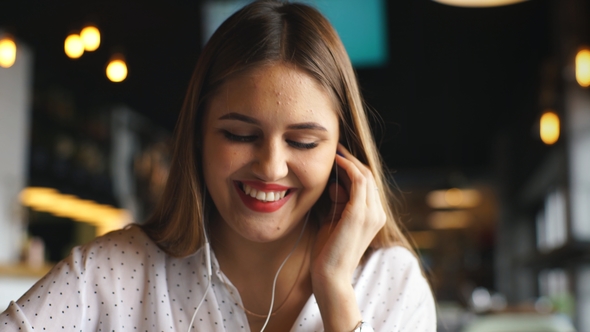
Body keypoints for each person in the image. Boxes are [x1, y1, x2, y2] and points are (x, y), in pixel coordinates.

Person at [0, 1, 436, 331]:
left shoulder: (391, 282)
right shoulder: (112, 271)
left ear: (342, 154)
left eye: (303, 141)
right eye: (239, 135)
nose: (270, 166)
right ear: (197, 136)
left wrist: (336, 292)